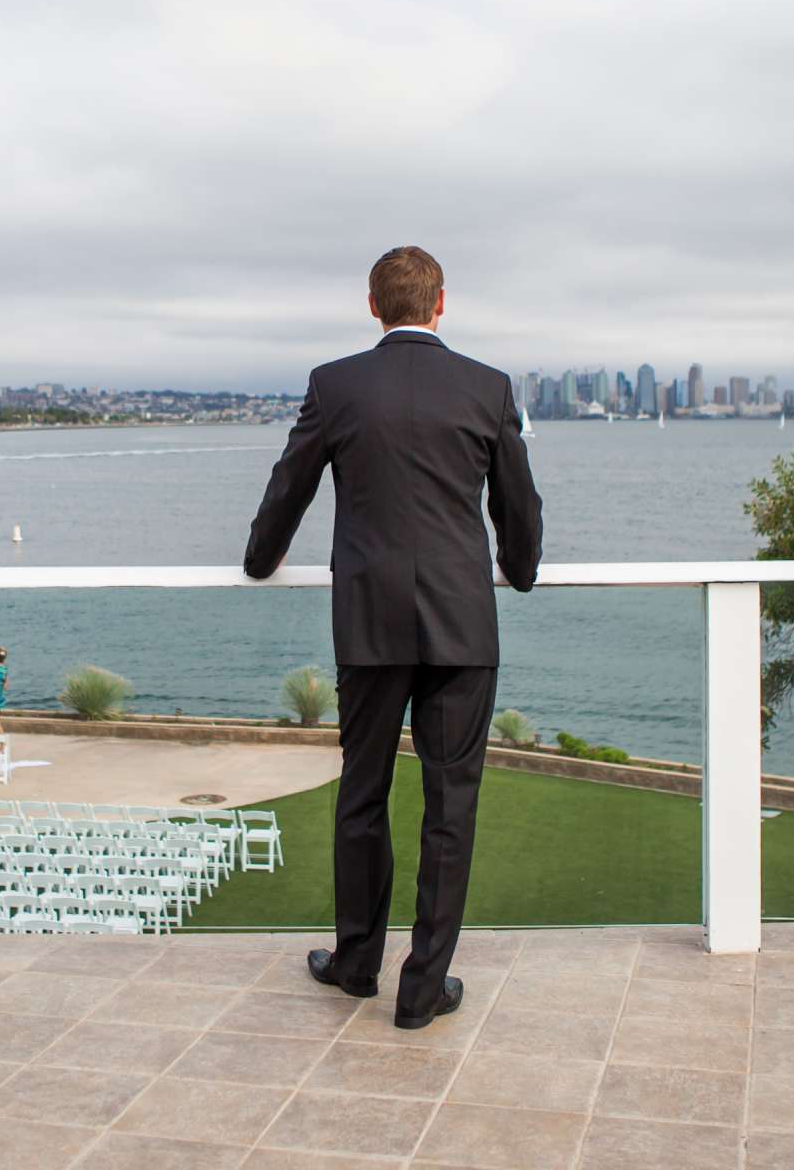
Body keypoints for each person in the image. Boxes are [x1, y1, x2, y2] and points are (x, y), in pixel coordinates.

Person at [244, 245, 541, 1029]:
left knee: (362, 794)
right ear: (441, 303)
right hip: (461, 623)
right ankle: (422, 990)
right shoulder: (487, 387)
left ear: (372, 306)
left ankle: (354, 964)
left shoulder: (336, 385)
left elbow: (290, 488)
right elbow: (519, 507)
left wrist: (259, 560)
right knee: (451, 808)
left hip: (370, 623)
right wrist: (520, 568)